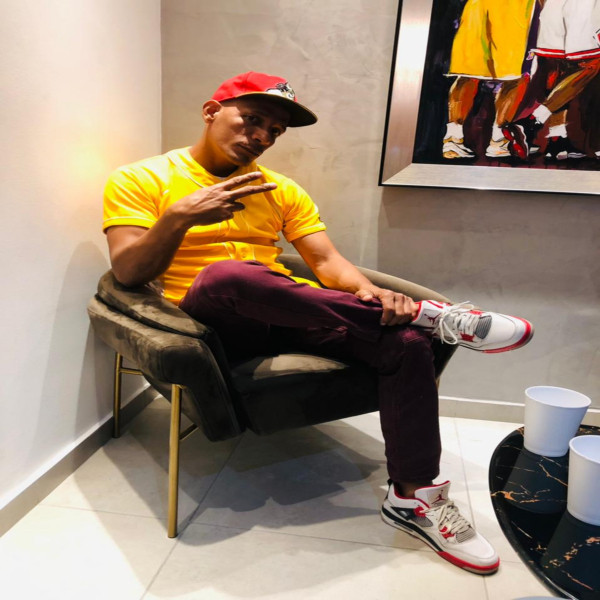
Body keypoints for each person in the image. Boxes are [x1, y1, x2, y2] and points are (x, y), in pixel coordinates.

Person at [103, 71, 534, 574]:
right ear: (211, 111)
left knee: (407, 344)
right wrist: (178, 217)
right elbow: (127, 272)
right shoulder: (139, 179)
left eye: (275, 131)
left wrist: (373, 295)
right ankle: (433, 318)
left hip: (284, 312)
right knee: (230, 275)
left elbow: (327, 263)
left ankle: (414, 497)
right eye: (252, 119)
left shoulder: (280, 189)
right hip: (208, 326)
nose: (262, 136)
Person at [502, 0, 600, 159]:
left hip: (553, 9)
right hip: (583, 10)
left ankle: (556, 137)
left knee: (558, 71)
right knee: (590, 64)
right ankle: (532, 122)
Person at [443, 0, 536, 159]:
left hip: (480, 8)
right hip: (515, 10)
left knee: (468, 73)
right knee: (514, 76)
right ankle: (498, 140)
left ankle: (454, 139)